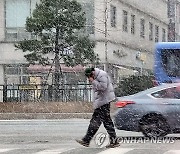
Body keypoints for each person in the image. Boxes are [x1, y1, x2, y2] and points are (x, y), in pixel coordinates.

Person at [76, 67, 119, 148]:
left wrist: (93, 81)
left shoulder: (102, 75)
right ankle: (113, 140)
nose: (89, 78)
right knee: (104, 121)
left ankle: (87, 140)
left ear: (93, 72)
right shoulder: (97, 75)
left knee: (99, 122)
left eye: (90, 76)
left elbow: (103, 87)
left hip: (104, 101)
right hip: (102, 101)